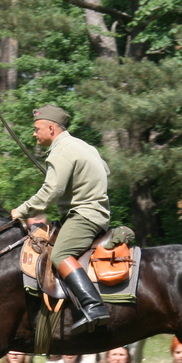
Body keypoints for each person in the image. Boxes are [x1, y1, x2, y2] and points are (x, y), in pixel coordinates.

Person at [8, 105, 111, 333]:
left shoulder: (61, 152)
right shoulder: (85, 146)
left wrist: (21, 211)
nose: (34, 134)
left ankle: (94, 306)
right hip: (96, 213)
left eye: (37, 129)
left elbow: (50, 192)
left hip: (84, 216)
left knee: (60, 254)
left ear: (51, 128)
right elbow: (106, 171)